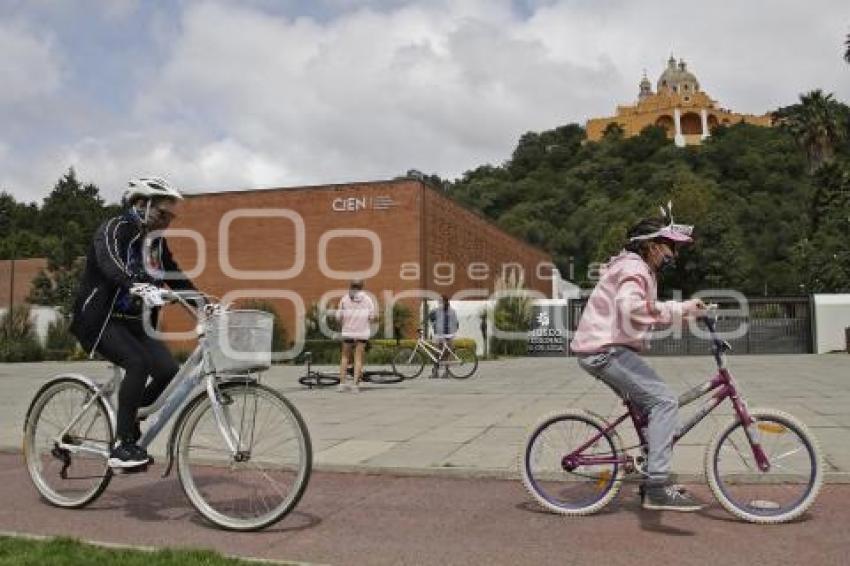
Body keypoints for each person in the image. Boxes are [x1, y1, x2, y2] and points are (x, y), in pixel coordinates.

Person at [570, 205, 706, 512]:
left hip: (605, 349)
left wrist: (686, 315)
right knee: (664, 401)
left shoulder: (636, 267)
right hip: (604, 351)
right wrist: (680, 310)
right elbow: (631, 307)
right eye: (669, 247)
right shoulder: (633, 269)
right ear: (651, 245)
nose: (673, 255)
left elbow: (642, 313)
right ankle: (657, 485)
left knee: (650, 410)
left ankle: (651, 476)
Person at [70, 177, 198, 469]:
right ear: (141, 204)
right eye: (162, 214)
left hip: (135, 324)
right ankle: (121, 445)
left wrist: (204, 304)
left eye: (171, 216)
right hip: (102, 320)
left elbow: (175, 276)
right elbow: (110, 262)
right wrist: (134, 284)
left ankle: (131, 414)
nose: (167, 221)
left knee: (168, 371)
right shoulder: (115, 228)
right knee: (137, 363)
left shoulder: (155, 243)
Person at [335, 279, 377, 392]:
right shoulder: (368, 299)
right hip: (362, 333)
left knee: (344, 358)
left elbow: (338, 317)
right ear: (362, 286)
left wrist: (344, 322)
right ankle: (355, 385)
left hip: (348, 332)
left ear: (351, 286)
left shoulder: (344, 299)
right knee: (358, 359)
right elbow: (372, 317)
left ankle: (342, 384)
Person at [428, 295, 459, 378]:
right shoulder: (439, 310)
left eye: (441, 302)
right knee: (440, 354)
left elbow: (456, 324)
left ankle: (442, 372)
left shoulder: (450, 311)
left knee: (443, 354)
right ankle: (439, 372)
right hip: (443, 335)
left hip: (445, 335)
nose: (440, 303)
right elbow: (431, 317)